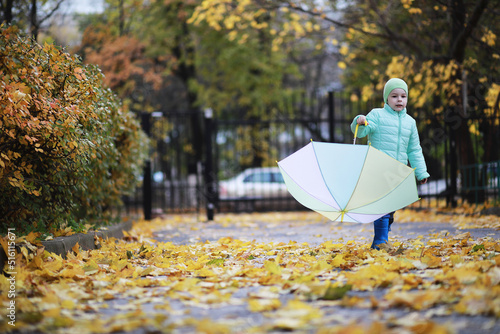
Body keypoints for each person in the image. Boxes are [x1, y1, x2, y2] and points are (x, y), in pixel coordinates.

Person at [350, 78, 430, 250]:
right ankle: (380, 241)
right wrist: (359, 120)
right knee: (383, 206)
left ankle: (380, 240)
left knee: (391, 209)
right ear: (387, 98)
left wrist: (421, 172)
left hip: (397, 172)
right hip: (378, 169)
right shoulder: (377, 115)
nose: (399, 99)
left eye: (403, 96)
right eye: (394, 96)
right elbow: (363, 131)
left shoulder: (410, 122)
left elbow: (414, 149)